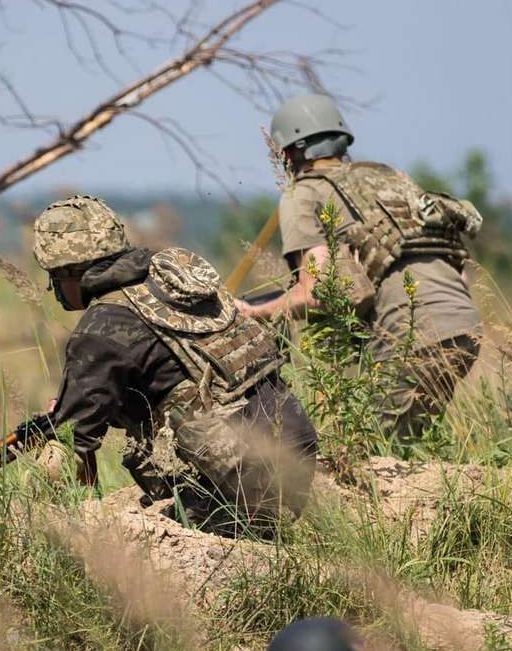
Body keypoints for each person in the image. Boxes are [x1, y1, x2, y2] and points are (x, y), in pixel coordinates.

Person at [32, 195, 318, 536]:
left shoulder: (101, 326)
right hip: (295, 465)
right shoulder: (172, 281)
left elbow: (70, 443)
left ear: (67, 272)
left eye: (54, 278)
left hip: (245, 495)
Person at [236, 94, 482, 439]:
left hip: (412, 335)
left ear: (290, 152)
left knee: (367, 450)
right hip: (465, 327)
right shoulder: (391, 181)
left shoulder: (303, 194)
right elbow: (460, 274)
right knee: (407, 442)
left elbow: (316, 292)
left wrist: (252, 312)